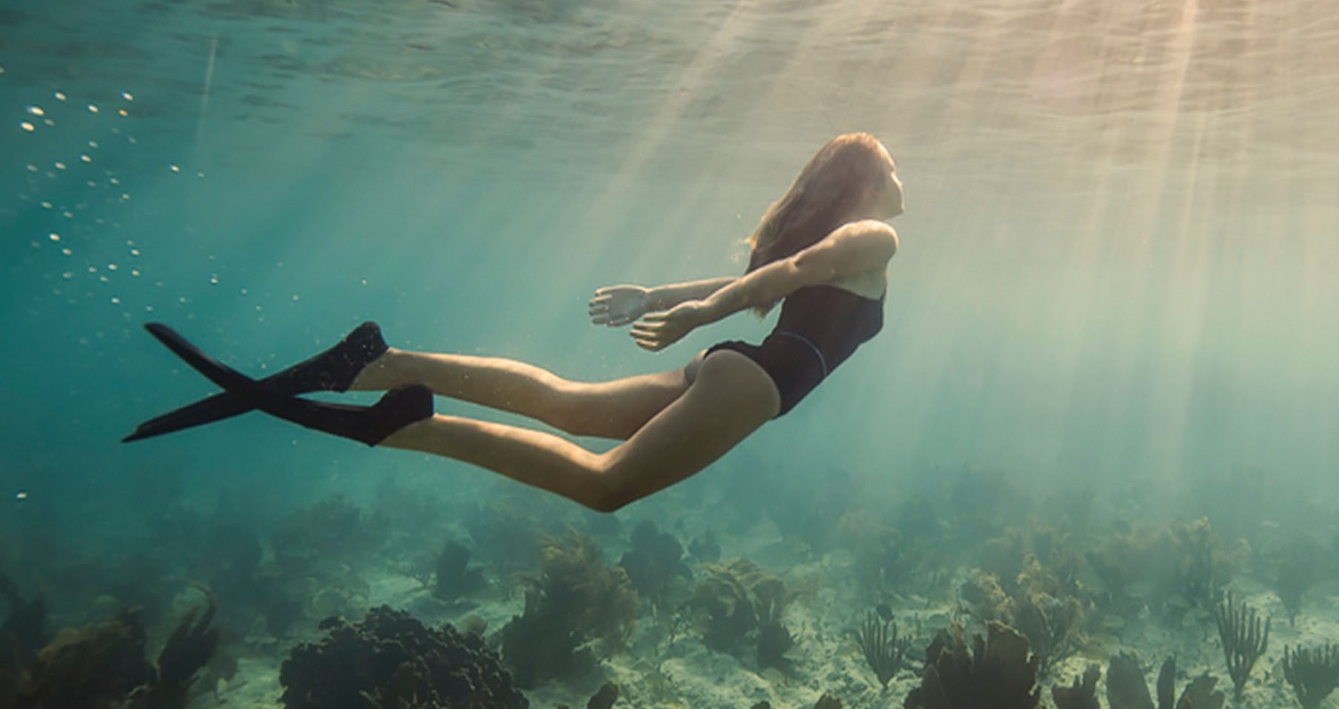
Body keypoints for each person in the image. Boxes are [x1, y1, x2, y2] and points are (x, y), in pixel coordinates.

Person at [126, 133, 903, 512]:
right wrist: (690, 312)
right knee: (602, 487)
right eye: (891, 169)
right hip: (752, 381)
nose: (903, 181)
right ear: (864, 186)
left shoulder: (848, 251)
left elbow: (762, 277)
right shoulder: (875, 240)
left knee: (569, 404)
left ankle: (383, 364)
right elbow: (787, 275)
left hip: (737, 367)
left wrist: (658, 296)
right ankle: (406, 427)